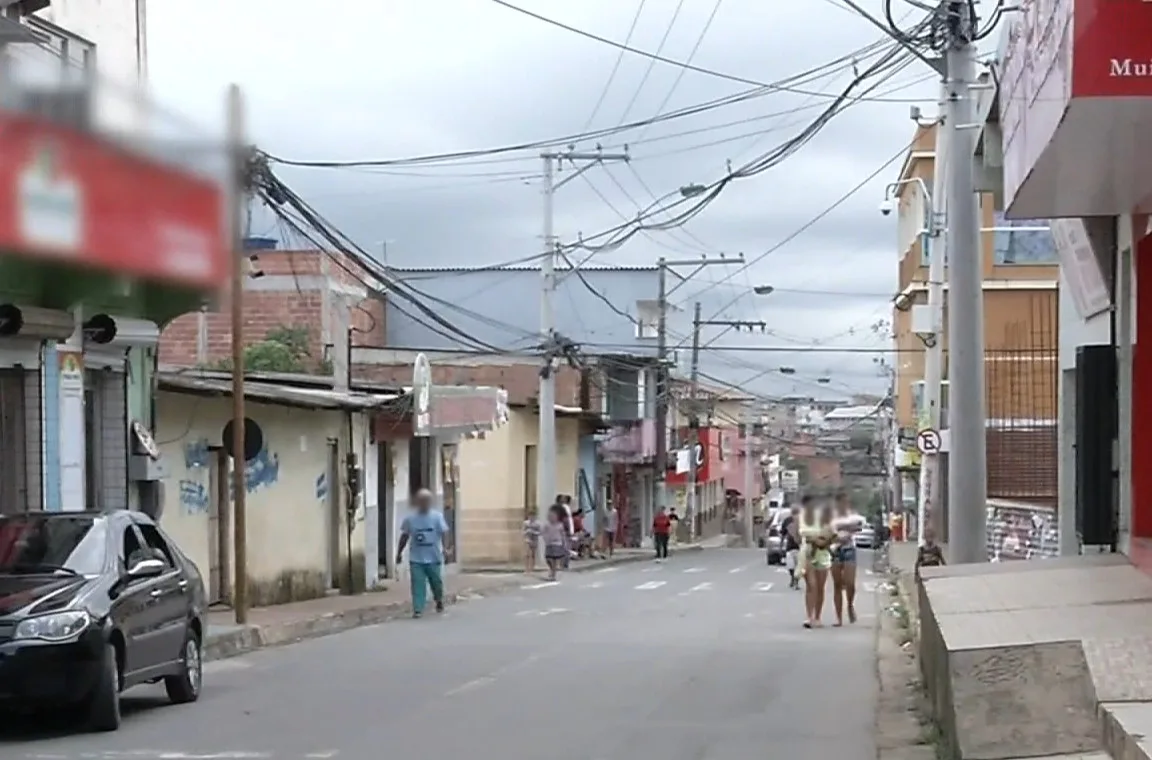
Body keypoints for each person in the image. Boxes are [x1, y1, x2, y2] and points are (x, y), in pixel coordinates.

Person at [396, 488, 449, 618]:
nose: (424, 503)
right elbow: (405, 536)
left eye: (427, 501)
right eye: (422, 501)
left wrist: (445, 549)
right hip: (416, 558)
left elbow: (444, 532)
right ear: (417, 502)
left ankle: (439, 600)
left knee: (436, 582)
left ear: (430, 502)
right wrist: (399, 552)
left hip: (433, 556)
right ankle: (418, 608)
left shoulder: (437, 517)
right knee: (417, 583)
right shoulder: (411, 519)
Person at [797, 496, 834, 629]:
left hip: (822, 554)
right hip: (807, 553)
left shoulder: (823, 518)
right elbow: (802, 533)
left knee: (820, 587)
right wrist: (814, 538)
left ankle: (818, 616)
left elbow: (830, 534)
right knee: (811, 586)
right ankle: (809, 616)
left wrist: (822, 540)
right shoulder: (802, 518)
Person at [830, 492, 865, 626]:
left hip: (849, 549)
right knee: (837, 584)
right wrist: (842, 533)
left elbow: (859, 526)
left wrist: (846, 528)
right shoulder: (831, 517)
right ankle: (838, 618)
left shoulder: (852, 515)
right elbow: (830, 532)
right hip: (835, 550)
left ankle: (850, 605)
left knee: (850, 582)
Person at [542, 508, 568, 581]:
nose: (552, 517)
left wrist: (564, 543)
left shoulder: (560, 525)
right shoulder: (547, 525)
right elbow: (543, 532)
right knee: (548, 558)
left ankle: (553, 574)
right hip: (549, 543)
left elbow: (563, 534)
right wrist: (545, 538)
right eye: (550, 516)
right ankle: (551, 569)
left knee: (554, 559)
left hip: (557, 543)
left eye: (553, 516)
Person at [780, 505, 802, 589]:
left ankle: (796, 581)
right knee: (791, 566)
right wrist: (781, 545)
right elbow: (783, 533)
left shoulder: (802, 521)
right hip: (790, 547)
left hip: (800, 547)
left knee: (797, 566)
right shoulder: (787, 521)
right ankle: (793, 578)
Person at [522, 510, 542, 575]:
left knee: (533, 554)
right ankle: (526, 568)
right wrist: (526, 532)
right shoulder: (526, 523)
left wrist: (533, 532)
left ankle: (532, 567)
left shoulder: (538, 523)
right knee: (527, 554)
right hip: (528, 539)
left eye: (533, 516)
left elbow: (540, 532)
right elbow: (523, 531)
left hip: (534, 539)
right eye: (530, 516)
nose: (531, 517)